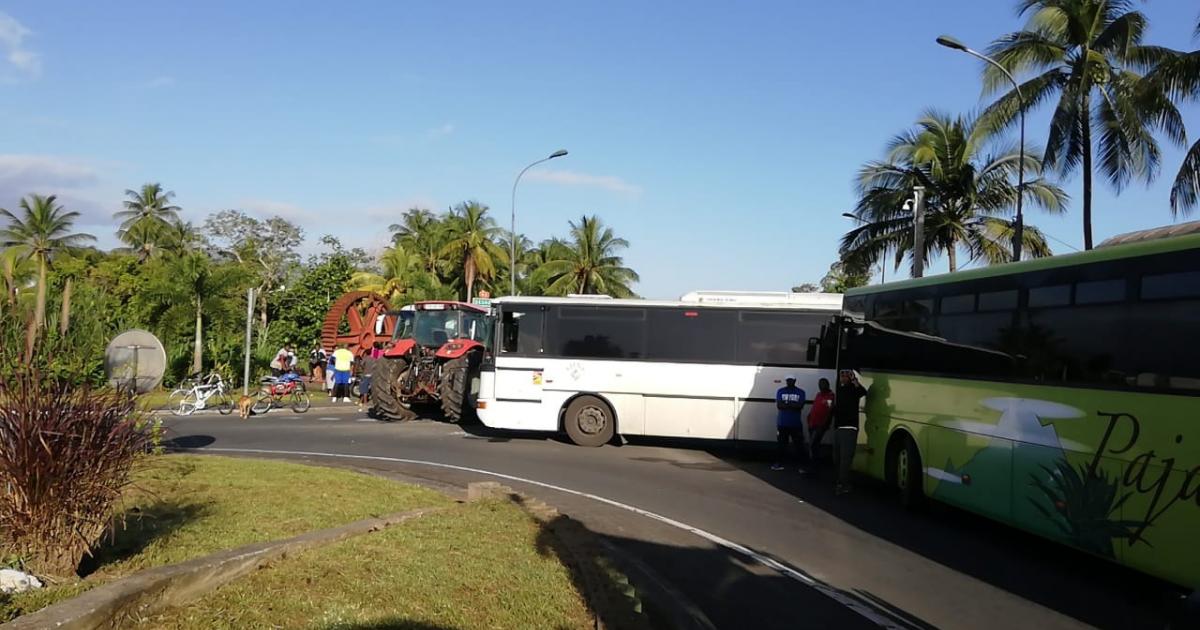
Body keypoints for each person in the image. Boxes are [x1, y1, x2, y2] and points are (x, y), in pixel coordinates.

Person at [833, 369, 868, 495]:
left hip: (849, 428)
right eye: (841, 375)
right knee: (838, 458)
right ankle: (841, 482)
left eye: (845, 375)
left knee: (845, 459)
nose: (842, 377)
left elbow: (863, 392)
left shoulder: (853, 389)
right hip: (839, 428)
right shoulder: (840, 390)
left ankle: (842, 484)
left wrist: (854, 381)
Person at [771, 375, 808, 472]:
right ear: (786, 381)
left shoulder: (801, 392)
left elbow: (799, 406)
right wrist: (792, 405)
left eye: (791, 380)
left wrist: (786, 404)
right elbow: (779, 406)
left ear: (795, 380)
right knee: (781, 445)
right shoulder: (780, 391)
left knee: (799, 446)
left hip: (795, 424)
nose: (789, 382)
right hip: (782, 423)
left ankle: (802, 466)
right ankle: (777, 464)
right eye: (788, 380)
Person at [807, 377, 835, 471]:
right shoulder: (818, 395)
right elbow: (815, 407)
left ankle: (813, 467)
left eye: (823, 384)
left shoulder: (830, 396)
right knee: (813, 446)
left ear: (827, 385)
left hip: (820, 425)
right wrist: (809, 416)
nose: (821, 386)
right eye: (820, 384)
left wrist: (825, 425)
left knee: (813, 445)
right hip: (812, 423)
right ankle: (813, 466)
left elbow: (829, 411)